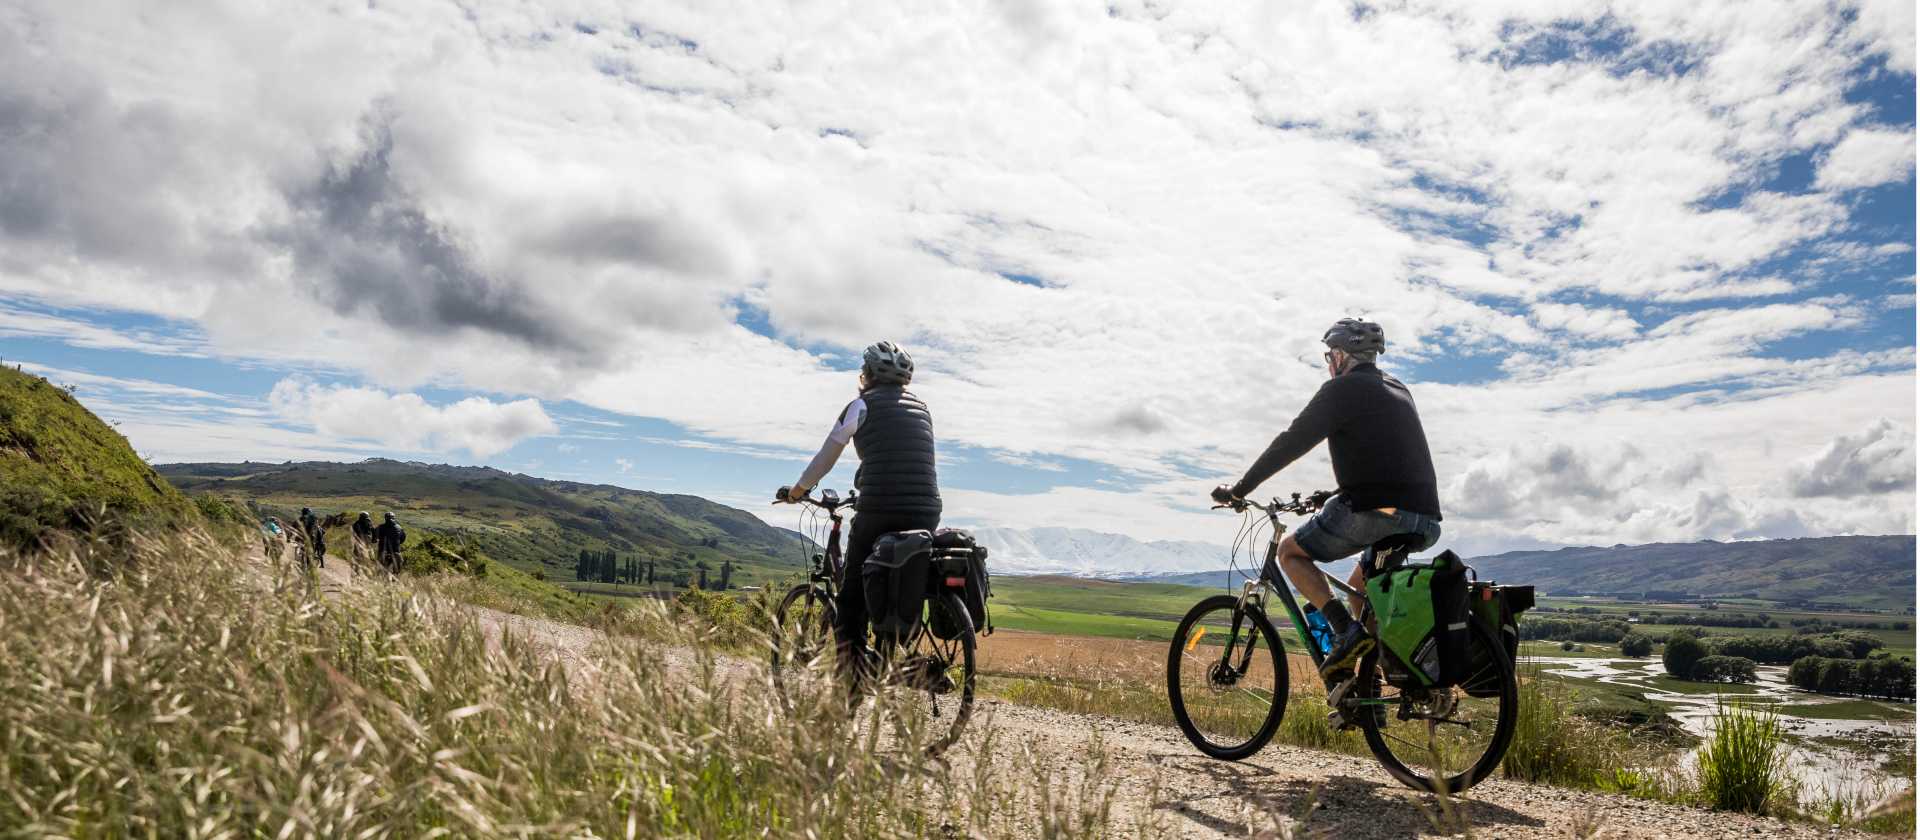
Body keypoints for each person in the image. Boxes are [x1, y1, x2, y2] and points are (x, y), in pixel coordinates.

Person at [1212, 319, 1443, 683]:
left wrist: (1240, 490)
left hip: (1378, 512)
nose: (1328, 363)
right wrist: (1331, 494)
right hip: (1425, 519)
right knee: (1360, 593)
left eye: (1328, 355)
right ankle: (1372, 694)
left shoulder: (1342, 389)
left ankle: (1343, 632)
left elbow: (1291, 441)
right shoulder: (1398, 387)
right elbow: (1389, 459)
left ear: (1339, 355)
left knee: (1291, 553)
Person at [776, 340, 942, 687]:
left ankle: (854, 680)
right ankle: (898, 659)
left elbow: (827, 455)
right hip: (927, 509)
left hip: (880, 505)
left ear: (866, 375)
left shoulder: (860, 405)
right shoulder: (922, 409)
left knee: (851, 595)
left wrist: (798, 491)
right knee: (901, 574)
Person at [374, 511, 406, 578]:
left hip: (383, 551)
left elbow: (374, 537)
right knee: (398, 569)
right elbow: (403, 538)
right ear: (394, 518)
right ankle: (395, 580)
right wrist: (397, 543)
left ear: (385, 518)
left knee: (380, 569)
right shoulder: (399, 527)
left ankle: (380, 580)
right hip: (395, 551)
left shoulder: (380, 527)